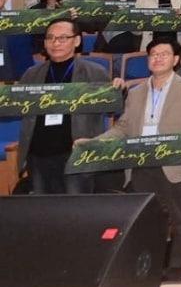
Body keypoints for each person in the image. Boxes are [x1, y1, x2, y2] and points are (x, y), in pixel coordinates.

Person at [79, 38, 181, 282]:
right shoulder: (136, 93)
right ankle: (148, 268)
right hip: (141, 165)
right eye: (153, 54)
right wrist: (95, 142)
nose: (157, 58)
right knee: (145, 221)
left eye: (163, 54)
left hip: (174, 164)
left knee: (179, 219)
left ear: (176, 60)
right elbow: (122, 128)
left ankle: (177, 269)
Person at [15, 18, 114, 194]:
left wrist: (119, 91)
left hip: (75, 155)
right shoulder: (32, 74)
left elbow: (112, 109)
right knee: (43, 214)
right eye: (50, 38)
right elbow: (17, 107)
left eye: (62, 38)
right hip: (38, 154)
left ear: (76, 41)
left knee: (75, 214)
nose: (55, 43)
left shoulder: (94, 72)